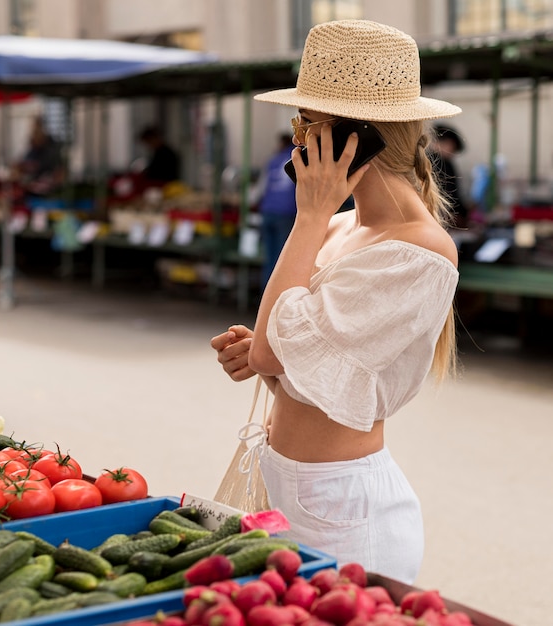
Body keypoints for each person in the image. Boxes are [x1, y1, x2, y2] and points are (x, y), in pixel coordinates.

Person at [210, 19, 462, 584]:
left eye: (306, 123)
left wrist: (309, 214)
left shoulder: (419, 250)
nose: (296, 140)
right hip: (284, 482)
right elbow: (296, 365)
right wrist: (260, 357)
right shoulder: (338, 226)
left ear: (354, 139)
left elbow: (276, 351)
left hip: (343, 507)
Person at [255, 133, 297, 290]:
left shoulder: (273, 159)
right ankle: (276, 297)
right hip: (286, 214)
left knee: (269, 258)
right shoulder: (299, 156)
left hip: (268, 211)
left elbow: (260, 189)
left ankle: (265, 295)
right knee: (281, 260)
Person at [430, 124, 469, 228]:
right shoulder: (442, 163)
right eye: (451, 146)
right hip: (442, 218)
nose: (452, 152)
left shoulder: (427, 160)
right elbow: (450, 194)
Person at [14, 116, 63, 197]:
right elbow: (27, 161)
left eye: (36, 128)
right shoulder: (34, 148)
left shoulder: (51, 148)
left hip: (48, 188)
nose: (34, 132)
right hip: (34, 187)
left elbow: (49, 166)